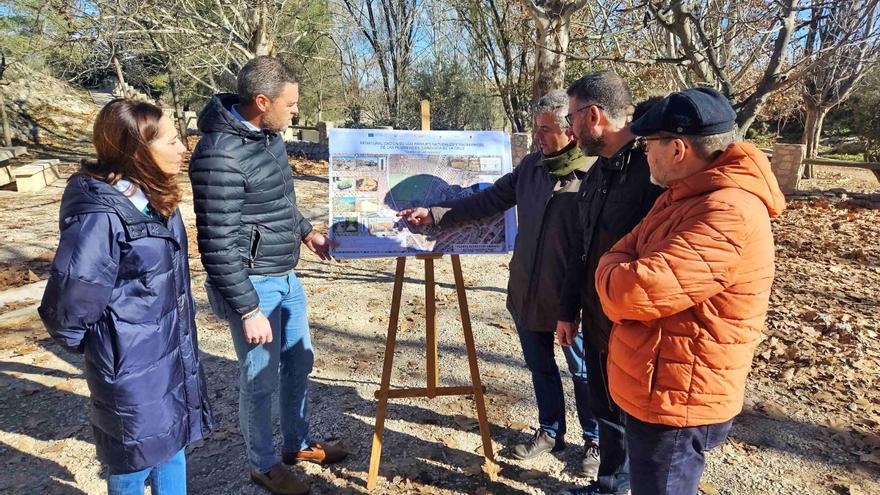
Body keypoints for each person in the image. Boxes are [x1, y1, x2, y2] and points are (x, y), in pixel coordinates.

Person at [398, 90, 602, 476]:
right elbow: (489, 200)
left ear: (571, 132)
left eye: (545, 130)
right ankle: (551, 430)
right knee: (540, 366)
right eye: (536, 128)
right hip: (527, 291)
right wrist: (436, 214)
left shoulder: (594, 173)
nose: (537, 137)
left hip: (571, 300)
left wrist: (577, 304)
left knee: (585, 372)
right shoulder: (532, 167)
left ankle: (594, 440)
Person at [594, 88, 785, 495]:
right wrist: (618, 264)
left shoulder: (724, 210)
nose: (644, 154)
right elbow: (624, 251)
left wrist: (611, 270)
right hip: (662, 380)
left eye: (649, 145)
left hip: (676, 395)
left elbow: (629, 290)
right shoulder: (685, 195)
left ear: (678, 148)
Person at [38, 98, 213, 495]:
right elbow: (69, 305)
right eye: (171, 142)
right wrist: (110, 347)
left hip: (170, 351)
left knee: (173, 444)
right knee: (131, 462)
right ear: (138, 151)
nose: (183, 149)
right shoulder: (101, 214)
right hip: (130, 368)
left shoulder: (155, 198)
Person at [189, 56, 345, 495]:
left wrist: (306, 233)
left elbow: (278, 201)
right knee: (259, 378)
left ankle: (296, 444)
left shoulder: (270, 137)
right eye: (291, 103)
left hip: (285, 275)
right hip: (253, 284)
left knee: (300, 361)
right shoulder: (218, 154)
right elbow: (216, 243)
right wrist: (248, 308)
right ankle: (262, 464)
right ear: (262, 101)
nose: (297, 110)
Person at [557, 72, 664, 495]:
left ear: (594, 115)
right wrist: (569, 311)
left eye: (571, 118)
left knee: (633, 418)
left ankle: (625, 487)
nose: (569, 129)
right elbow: (581, 250)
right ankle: (608, 485)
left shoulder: (653, 171)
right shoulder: (598, 170)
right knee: (605, 409)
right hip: (597, 321)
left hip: (634, 327)